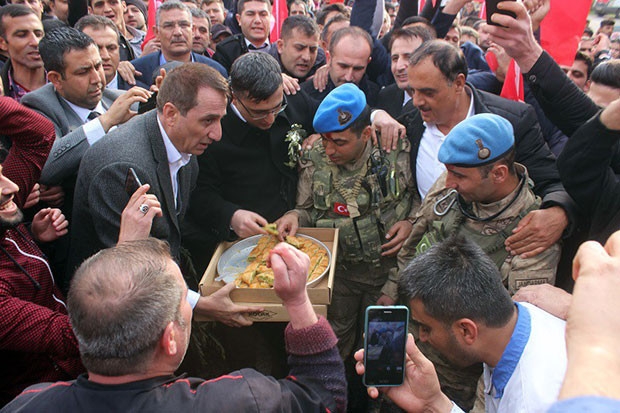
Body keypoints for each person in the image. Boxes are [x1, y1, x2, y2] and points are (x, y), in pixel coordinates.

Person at [1, 239, 347, 413]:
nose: (192, 307)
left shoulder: (26, 404)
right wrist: (299, 302)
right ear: (169, 340)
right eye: (186, 299)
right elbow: (324, 398)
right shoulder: (241, 400)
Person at [69, 62, 259, 329]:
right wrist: (200, 304)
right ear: (170, 113)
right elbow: (131, 268)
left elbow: (175, 225)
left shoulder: (182, 144)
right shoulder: (121, 168)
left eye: (220, 119)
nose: (217, 134)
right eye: (207, 121)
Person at [400, 39, 577, 260]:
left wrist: (558, 213)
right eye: (413, 90)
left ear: (458, 83)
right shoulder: (409, 117)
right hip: (431, 248)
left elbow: (552, 181)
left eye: (427, 92)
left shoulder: (512, 121)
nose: (417, 101)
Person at [276, 83, 416, 362]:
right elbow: (305, 209)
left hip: (390, 274)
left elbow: (419, 197)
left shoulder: (394, 148)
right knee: (335, 346)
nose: (329, 149)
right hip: (340, 277)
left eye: (339, 142)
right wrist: (293, 217)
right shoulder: (313, 156)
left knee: (384, 350)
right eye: (325, 139)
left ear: (365, 134)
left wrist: (411, 221)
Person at [354, 235, 567, 413]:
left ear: (466, 330)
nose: (422, 337)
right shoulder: (522, 319)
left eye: (426, 327)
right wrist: (434, 403)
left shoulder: (531, 402)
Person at [183, 52, 316, 273]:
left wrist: (321, 134)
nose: (270, 119)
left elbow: (335, 114)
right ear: (233, 97)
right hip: (239, 248)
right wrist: (231, 216)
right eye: (259, 113)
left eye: (277, 108)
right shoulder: (214, 132)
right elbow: (199, 193)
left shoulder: (293, 98)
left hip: (293, 233)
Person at [0, 97, 83, 406]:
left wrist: (32, 240)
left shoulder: (4, 207)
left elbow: (38, 135)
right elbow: (72, 336)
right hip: (44, 400)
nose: (11, 187)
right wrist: (129, 246)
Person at [21, 27, 151, 202]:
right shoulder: (39, 105)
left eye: (98, 66)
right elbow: (49, 166)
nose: (97, 78)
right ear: (56, 79)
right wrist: (106, 122)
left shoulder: (124, 100)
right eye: (83, 72)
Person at [129, 1, 227, 88]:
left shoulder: (215, 71)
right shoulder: (136, 72)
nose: (178, 32)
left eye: (183, 25)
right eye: (169, 26)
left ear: (192, 30)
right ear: (157, 32)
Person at [301, 26, 380, 106]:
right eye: (343, 66)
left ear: (368, 62)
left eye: (357, 69)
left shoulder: (377, 96)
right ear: (329, 58)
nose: (348, 77)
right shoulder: (304, 96)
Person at [375, 26, 433, 118]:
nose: (399, 66)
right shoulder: (386, 96)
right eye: (395, 58)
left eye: (409, 57)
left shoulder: (441, 101)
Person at [0, 5, 46, 102]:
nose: (35, 42)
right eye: (22, 35)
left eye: (38, 34)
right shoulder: (2, 90)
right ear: (2, 43)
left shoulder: (68, 83)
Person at [75, 15, 134, 90]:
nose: (106, 56)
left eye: (111, 48)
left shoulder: (141, 94)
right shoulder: (67, 92)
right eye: (97, 49)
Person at [212, 0, 271, 72]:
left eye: (263, 14)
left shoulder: (282, 48)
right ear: (239, 19)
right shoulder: (226, 51)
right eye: (250, 14)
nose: (257, 20)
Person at [267, 15, 325, 84]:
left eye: (313, 50)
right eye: (299, 48)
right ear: (280, 46)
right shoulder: (265, 69)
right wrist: (272, 79)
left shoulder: (322, 61)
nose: (306, 57)